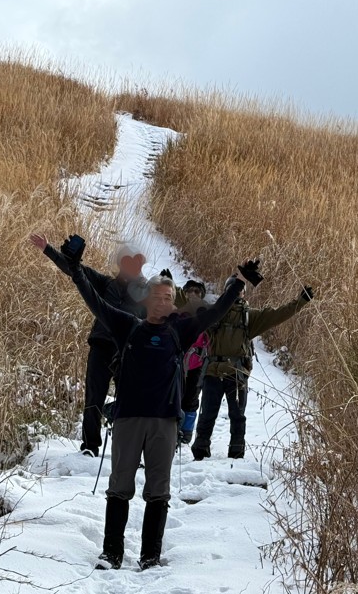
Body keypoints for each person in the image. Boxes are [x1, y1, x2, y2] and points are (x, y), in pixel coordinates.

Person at [57, 233, 251, 571]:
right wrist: (75, 269)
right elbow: (93, 301)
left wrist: (238, 285)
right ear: (147, 301)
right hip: (129, 420)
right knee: (119, 487)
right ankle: (111, 553)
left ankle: (150, 557)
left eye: (169, 298)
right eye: (158, 297)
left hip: (164, 422)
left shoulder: (181, 331)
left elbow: (215, 312)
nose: (164, 302)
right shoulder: (126, 326)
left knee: (158, 492)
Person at [29, 233, 147, 458]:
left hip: (128, 352)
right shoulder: (105, 283)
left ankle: (130, 449)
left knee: (131, 401)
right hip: (102, 347)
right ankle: (90, 446)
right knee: (94, 398)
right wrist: (48, 249)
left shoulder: (147, 292)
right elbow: (75, 270)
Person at [191, 260, 314, 461]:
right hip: (224, 372)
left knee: (225, 415)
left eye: (237, 291)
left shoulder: (243, 316)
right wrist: (301, 302)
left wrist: (300, 302)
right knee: (222, 416)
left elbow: (277, 315)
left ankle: (215, 451)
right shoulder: (218, 314)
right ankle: (223, 452)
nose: (237, 294)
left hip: (227, 372)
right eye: (235, 290)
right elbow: (277, 315)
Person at [178, 280, 209, 444]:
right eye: (189, 291)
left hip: (198, 362)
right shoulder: (179, 312)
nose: (193, 294)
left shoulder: (208, 313)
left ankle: (187, 430)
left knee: (192, 397)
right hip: (180, 361)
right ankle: (175, 427)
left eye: (197, 291)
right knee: (176, 394)